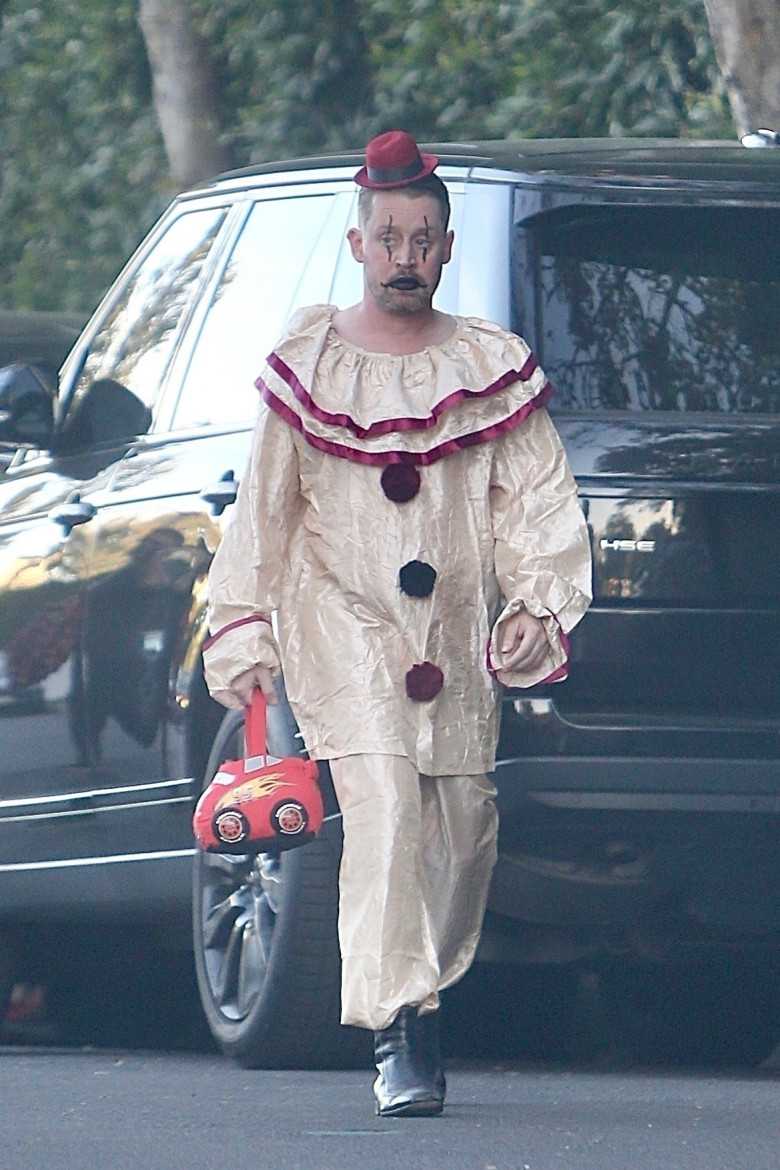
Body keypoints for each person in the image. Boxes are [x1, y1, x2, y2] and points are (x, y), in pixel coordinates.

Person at [203, 130, 592, 1117]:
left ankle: (420, 991)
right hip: (342, 620)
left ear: (446, 249)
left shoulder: (491, 365)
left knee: (462, 832)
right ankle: (398, 1033)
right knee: (380, 811)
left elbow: (535, 500)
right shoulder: (307, 363)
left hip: (458, 633)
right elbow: (262, 510)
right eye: (389, 236)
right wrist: (243, 630)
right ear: (359, 243)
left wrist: (537, 606)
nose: (406, 254)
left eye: (424, 237)